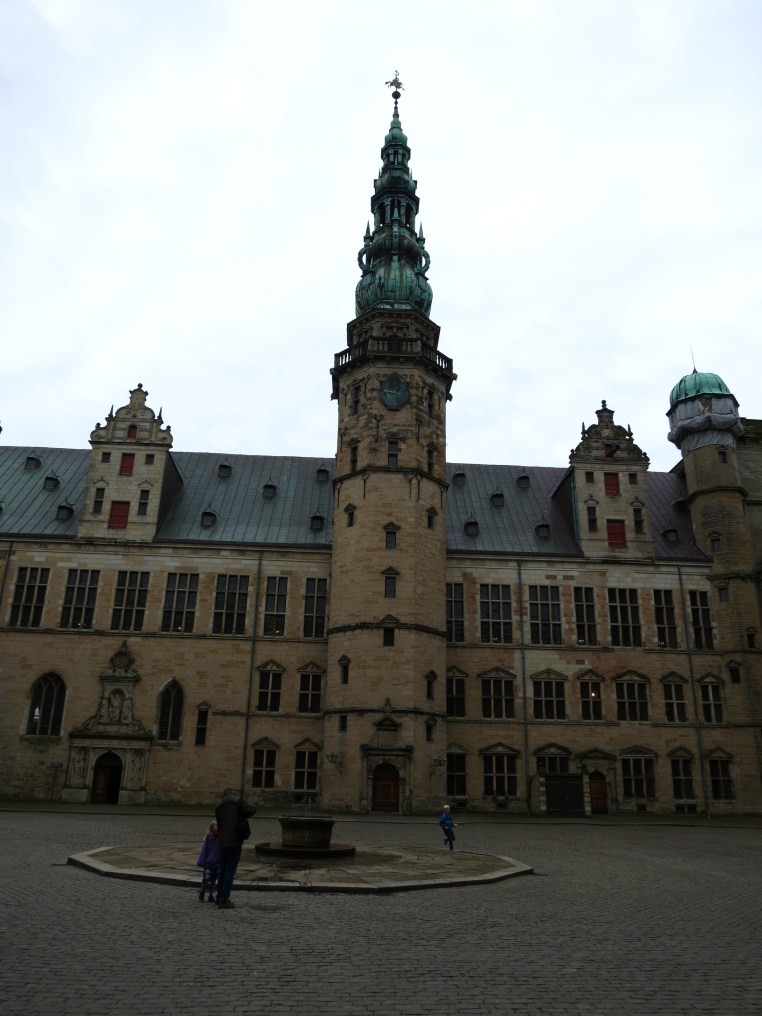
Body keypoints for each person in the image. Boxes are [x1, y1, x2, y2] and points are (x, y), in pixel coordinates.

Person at [214, 787, 256, 909]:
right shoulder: (237, 802)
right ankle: (224, 900)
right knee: (229, 871)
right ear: (233, 794)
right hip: (234, 842)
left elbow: (220, 823)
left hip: (222, 842)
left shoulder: (218, 806)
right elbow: (251, 810)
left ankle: (219, 897)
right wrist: (242, 801)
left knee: (222, 870)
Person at [196, 820, 220, 903]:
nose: (217, 827)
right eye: (215, 825)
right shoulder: (209, 838)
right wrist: (202, 861)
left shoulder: (220, 838)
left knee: (214, 880)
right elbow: (204, 850)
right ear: (212, 828)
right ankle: (202, 891)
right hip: (209, 863)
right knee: (206, 878)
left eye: (218, 825)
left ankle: (211, 895)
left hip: (217, 863)